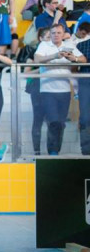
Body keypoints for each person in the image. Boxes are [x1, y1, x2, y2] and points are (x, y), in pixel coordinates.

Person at [33, 24, 82, 155]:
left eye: (58, 33)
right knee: (53, 121)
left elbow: (83, 59)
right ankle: (53, 152)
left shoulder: (69, 45)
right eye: (53, 33)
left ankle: (55, 151)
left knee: (60, 123)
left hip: (65, 90)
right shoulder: (44, 45)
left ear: (63, 33)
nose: (56, 35)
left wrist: (73, 58)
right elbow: (37, 59)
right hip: (47, 90)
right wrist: (55, 56)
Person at [19, 27, 51, 155]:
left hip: (52, 89)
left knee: (52, 121)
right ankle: (37, 151)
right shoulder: (33, 52)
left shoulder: (55, 51)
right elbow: (26, 73)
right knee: (38, 120)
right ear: (41, 39)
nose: (51, 39)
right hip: (37, 88)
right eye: (48, 37)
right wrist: (41, 69)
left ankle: (52, 151)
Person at [75, 34, 90, 155]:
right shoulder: (81, 45)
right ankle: (86, 150)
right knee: (85, 118)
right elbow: (74, 68)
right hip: (85, 85)